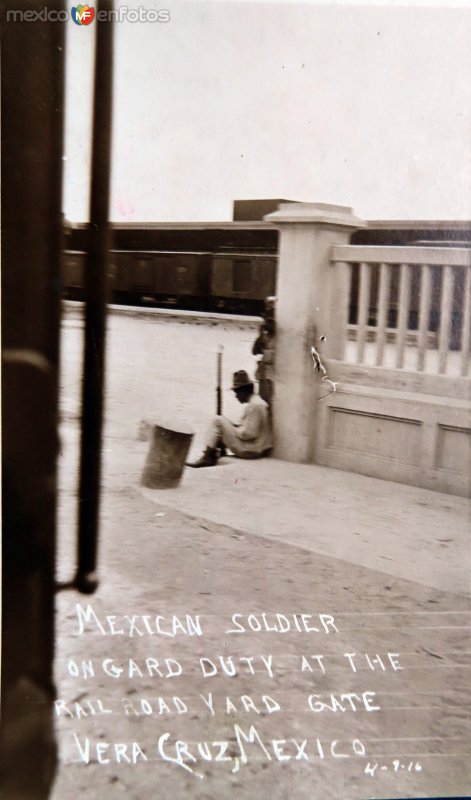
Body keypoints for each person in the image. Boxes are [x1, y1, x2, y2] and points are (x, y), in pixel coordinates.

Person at [187, 370, 272, 468]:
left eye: (237, 392)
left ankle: (208, 456)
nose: (236, 396)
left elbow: (248, 434)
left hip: (251, 450)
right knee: (222, 422)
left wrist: (232, 430)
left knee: (217, 421)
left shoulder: (255, 406)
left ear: (244, 391)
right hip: (256, 447)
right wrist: (232, 427)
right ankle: (212, 453)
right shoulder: (257, 403)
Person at [252, 296, 276, 407]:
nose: (268, 320)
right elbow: (254, 350)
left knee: (268, 404)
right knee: (263, 403)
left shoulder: (279, 337)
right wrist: (261, 334)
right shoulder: (266, 334)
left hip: (271, 375)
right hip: (264, 373)